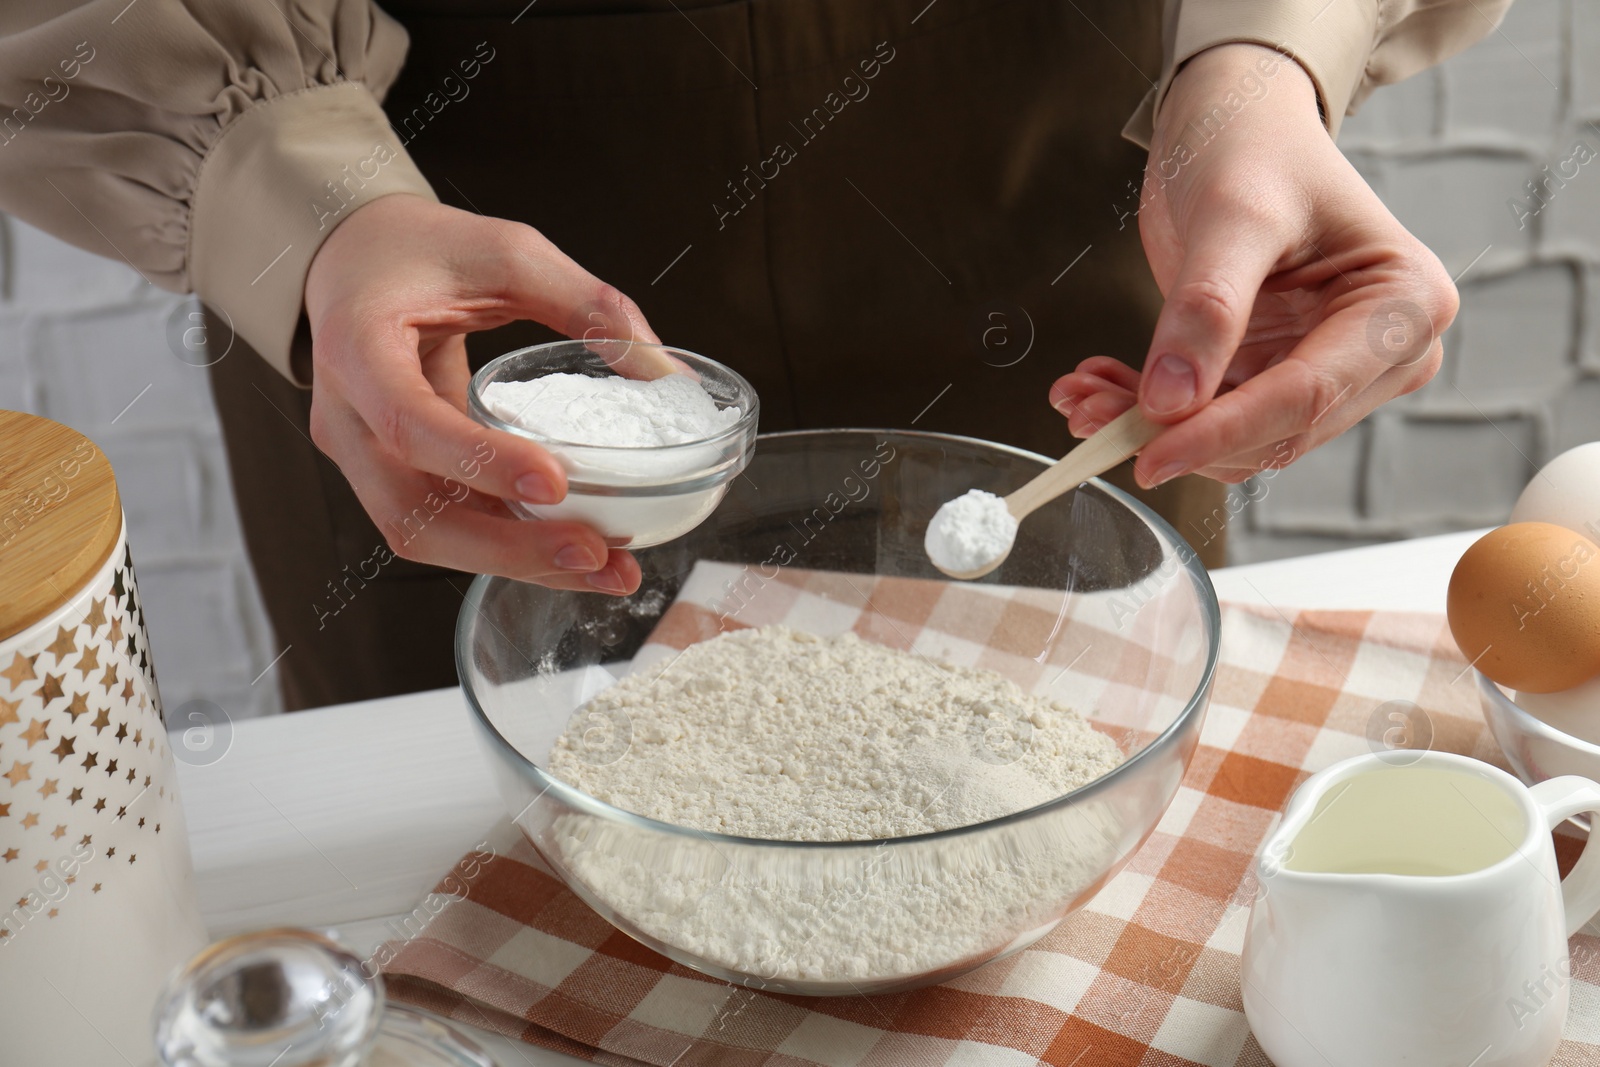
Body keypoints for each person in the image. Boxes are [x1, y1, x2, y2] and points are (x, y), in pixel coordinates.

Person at [0, 1, 1500, 709]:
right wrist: (295, 188)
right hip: (440, 273)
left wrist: (1264, 64)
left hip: (1061, 196)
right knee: (473, 840)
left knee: (1076, 736)